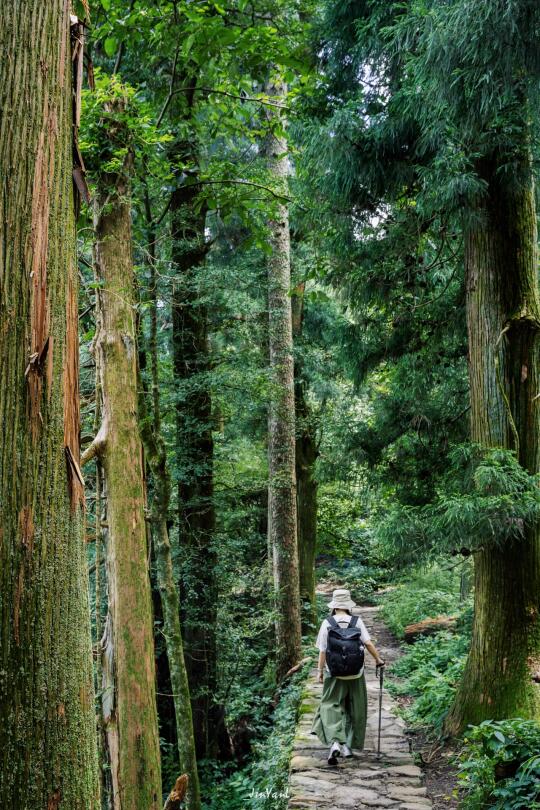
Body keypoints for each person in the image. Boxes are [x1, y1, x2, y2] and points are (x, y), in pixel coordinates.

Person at [311, 588, 385, 765]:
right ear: (348, 605)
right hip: (355, 674)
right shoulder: (356, 621)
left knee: (329, 705)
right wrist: (378, 660)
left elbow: (322, 651)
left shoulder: (327, 623)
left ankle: (336, 741)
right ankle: (349, 746)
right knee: (355, 707)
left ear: (334, 606)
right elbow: (367, 643)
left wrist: (320, 672)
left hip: (334, 673)